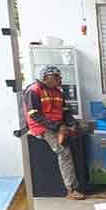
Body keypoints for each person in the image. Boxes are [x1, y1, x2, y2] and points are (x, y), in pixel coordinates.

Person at [23, 65, 85, 200]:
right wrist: (58, 127)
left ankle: (83, 183)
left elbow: (66, 112)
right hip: (42, 127)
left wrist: (73, 125)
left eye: (59, 76)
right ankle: (72, 189)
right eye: (56, 76)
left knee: (80, 135)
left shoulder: (58, 92)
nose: (60, 78)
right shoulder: (33, 91)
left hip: (57, 125)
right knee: (64, 152)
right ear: (45, 78)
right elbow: (35, 116)